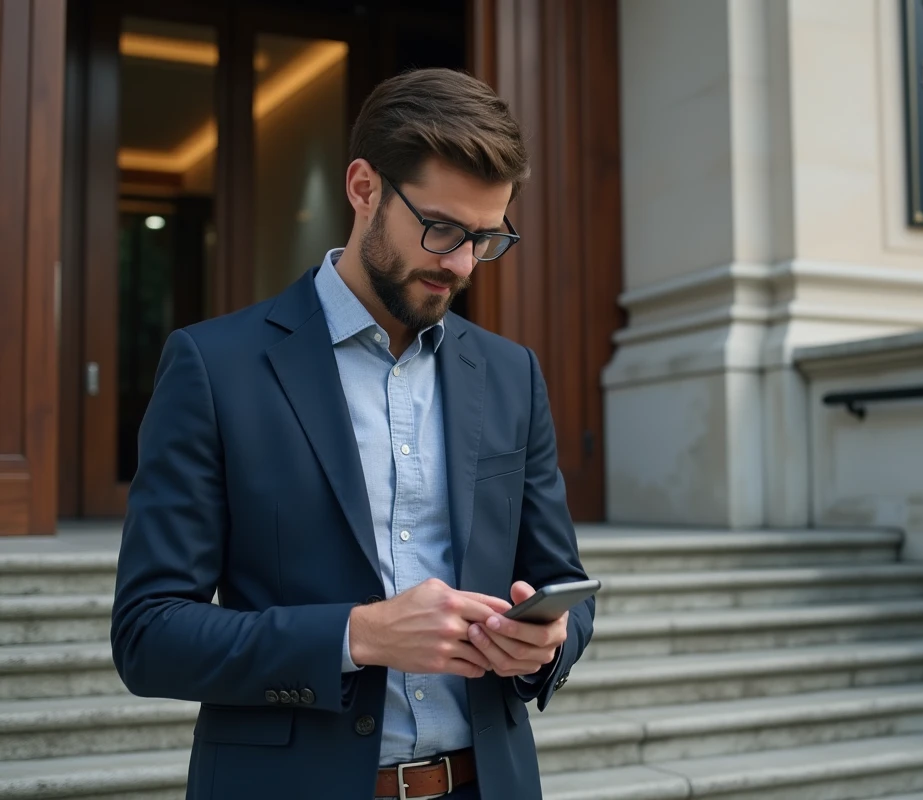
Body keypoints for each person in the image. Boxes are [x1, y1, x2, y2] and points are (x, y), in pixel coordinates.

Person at [110, 67, 595, 800]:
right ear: (364, 187)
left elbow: (565, 587)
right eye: (441, 229)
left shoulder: (511, 374)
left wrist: (546, 643)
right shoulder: (214, 367)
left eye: (486, 239)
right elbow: (148, 636)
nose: (461, 264)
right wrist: (356, 634)